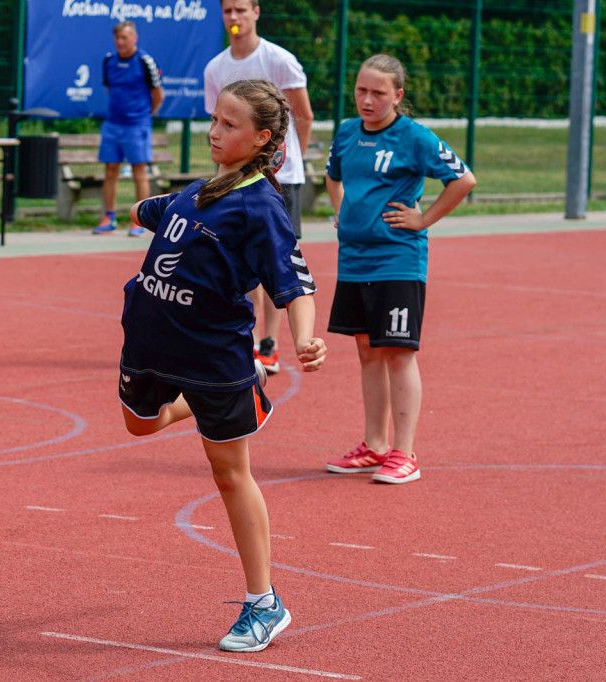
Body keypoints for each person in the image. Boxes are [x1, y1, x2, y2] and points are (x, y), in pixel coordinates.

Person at [118, 80, 326, 651]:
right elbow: (159, 214)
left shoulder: (261, 206)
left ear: (261, 138)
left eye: (229, 125)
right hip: (150, 345)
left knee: (229, 473)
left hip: (212, 355)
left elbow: (296, 283)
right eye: (214, 119)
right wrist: (136, 210)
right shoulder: (203, 187)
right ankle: (224, 397)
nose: (214, 131)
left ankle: (264, 603)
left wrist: (306, 339)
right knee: (138, 424)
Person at [323, 54, 476, 483]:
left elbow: (463, 179)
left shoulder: (414, 138)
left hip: (397, 259)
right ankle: (374, 446)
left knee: (398, 353)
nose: (367, 100)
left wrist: (424, 220)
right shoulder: (347, 133)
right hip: (353, 259)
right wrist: (344, 211)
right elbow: (333, 176)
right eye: (361, 90)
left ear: (398, 95)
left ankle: (405, 453)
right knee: (367, 352)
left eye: (378, 93)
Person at [204, 0, 315, 377]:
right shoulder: (216, 68)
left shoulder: (280, 60)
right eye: (227, 11)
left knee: (277, 260)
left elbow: (303, 115)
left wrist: (286, 159)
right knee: (238, 257)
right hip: (236, 178)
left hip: (281, 179)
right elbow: (221, 124)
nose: (234, 18)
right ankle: (248, 341)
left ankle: (270, 342)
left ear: (256, 12)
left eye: (240, 10)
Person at [94, 21, 164, 237]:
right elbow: (109, 89)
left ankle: (140, 221)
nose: (120, 42)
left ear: (134, 39)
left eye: (125, 37)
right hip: (112, 125)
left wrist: (144, 116)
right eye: (117, 38)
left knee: (139, 172)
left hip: (137, 125)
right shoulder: (108, 61)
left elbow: (158, 95)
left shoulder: (144, 61)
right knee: (110, 171)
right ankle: (109, 217)